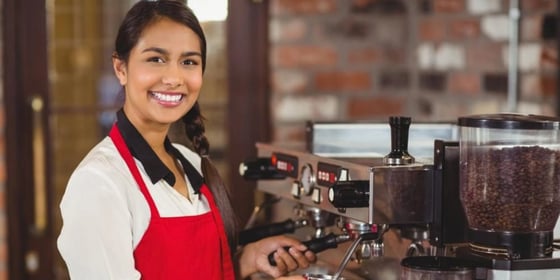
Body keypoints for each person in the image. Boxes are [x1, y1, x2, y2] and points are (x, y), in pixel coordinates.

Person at [57, 0, 316, 279]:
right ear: (121, 68)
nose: (174, 78)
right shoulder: (100, 181)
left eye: (188, 62)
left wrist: (245, 260)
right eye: (156, 59)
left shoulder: (189, 162)